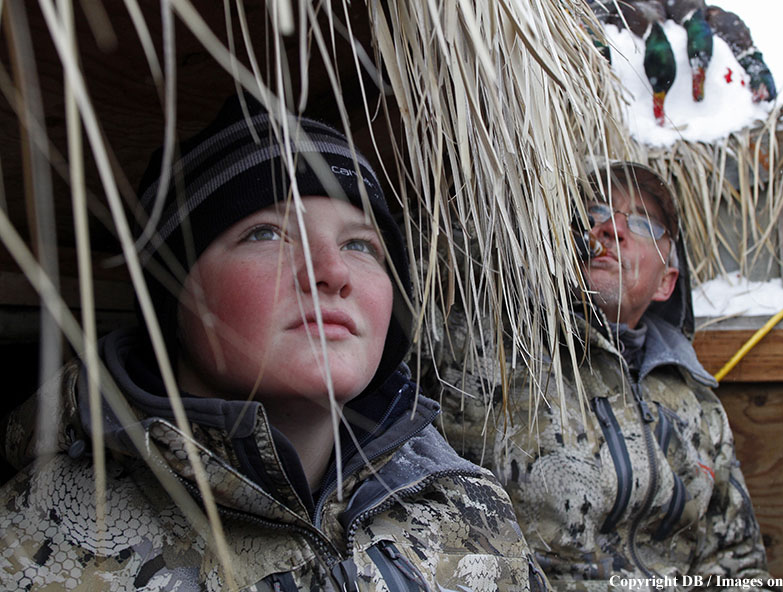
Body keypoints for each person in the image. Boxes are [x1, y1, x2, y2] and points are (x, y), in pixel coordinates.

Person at [0, 96, 547, 591]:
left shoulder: (472, 506)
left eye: (361, 244)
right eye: (267, 234)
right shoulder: (35, 547)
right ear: (171, 292)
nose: (332, 272)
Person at [424, 161, 774, 589]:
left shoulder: (699, 405)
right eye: (596, 214)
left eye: (643, 224)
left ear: (666, 282)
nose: (611, 230)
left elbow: (736, 560)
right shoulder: (486, 344)